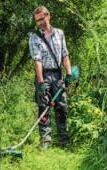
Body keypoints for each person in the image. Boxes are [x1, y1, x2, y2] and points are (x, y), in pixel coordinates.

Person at [29, 6, 73, 150]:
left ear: (48, 16)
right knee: (43, 108)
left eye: (41, 19)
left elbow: (65, 54)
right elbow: (37, 61)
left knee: (61, 107)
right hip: (44, 75)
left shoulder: (60, 33)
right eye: (37, 21)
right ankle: (45, 141)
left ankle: (64, 140)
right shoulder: (34, 37)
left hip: (58, 74)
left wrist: (69, 74)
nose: (40, 23)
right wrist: (41, 82)